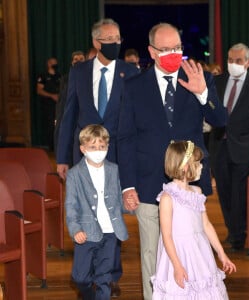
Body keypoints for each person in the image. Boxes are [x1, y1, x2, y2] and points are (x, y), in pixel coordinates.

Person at [117, 22, 227, 300]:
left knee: (193, 252)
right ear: (152, 52)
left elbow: (220, 120)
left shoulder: (199, 77)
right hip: (147, 182)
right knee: (153, 254)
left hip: (189, 184)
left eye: (177, 48)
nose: (173, 54)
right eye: (165, 49)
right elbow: (125, 138)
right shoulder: (132, 87)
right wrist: (127, 185)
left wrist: (203, 94)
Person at [56, 18, 139, 297]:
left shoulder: (131, 72)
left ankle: (109, 276)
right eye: (109, 39)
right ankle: (86, 274)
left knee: (111, 214)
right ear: (96, 42)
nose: (115, 43)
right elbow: (68, 117)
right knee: (85, 213)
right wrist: (61, 158)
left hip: (117, 156)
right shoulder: (78, 72)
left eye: (118, 38)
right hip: (83, 159)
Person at [151, 140, 236, 299]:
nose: (201, 166)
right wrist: (177, 265)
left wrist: (221, 253)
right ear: (185, 166)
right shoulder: (167, 197)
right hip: (179, 254)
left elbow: (206, 224)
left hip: (199, 252)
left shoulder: (197, 192)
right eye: (197, 163)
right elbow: (166, 236)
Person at [210, 43, 249, 251]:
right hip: (219, 145)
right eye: (230, 60)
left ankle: (239, 234)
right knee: (224, 191)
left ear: (248, 62)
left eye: (238, 61)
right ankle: (232, 230)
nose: (233, 64)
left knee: (239, 192)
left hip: (243, 147)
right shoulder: (217, 82)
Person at [65, 124, 128, 300]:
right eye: (93, 147)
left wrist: (129, 206)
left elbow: (118, 200)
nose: (98, 150)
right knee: (80, 278)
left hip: (110, 233)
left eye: (102, 146)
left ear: (107, 147)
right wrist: (75, 229)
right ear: (83, 148)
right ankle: (88, 296)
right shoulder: (74, 174)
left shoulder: (113, 169)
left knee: (104, 278)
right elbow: (71, 205)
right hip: (85, 233)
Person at [54, 50, 85, 157]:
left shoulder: (90, 77)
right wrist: (57, 117)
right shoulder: (65, 78)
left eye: (81, 59)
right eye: (76, 59)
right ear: (72, 62)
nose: (78, 62)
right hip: (67, 115)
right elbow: (61, 100)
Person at [36, 57, 61, 151]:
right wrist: (51, 96)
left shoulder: (59, 75)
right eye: (52, 63)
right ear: (48, 64)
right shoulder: (43, 76)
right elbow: (39, 90)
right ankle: (51, 146)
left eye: (56, 63)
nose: (54, 65)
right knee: (50, 126)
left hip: (58, 105)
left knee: (58, 125)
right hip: (47, 105)